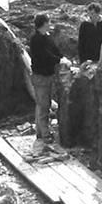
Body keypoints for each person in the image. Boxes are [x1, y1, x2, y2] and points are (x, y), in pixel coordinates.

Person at [29, 13, 69, 147]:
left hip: (47, 75)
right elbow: (45, 55)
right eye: (48, 21)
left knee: (41, 104)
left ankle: (40, 132)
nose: (50, 23)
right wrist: (58, 60)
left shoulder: (47, 37)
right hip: (40, 76)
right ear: (44, 23)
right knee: (44, 105)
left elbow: (54, 50)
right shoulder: (36, 39)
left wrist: (62, 58)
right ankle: (45, 135)